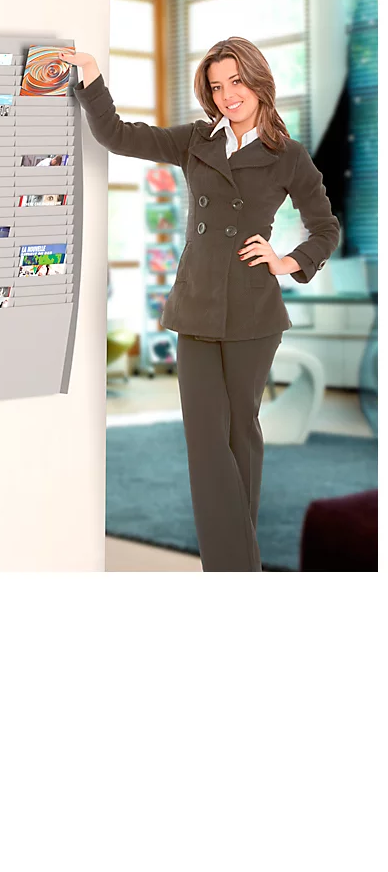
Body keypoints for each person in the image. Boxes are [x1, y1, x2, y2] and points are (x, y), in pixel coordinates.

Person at [62, 37, 341, 572]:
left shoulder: (288, 155)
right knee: (206, 443)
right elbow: (117, 136)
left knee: (241, 436)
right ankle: (235, 568)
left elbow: (325, 227)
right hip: (195, 305)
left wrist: (288, 261)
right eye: (217, 85)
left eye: (236, 81)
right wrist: (92, 77)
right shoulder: (195, 140)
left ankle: (231, 569)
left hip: (253, 312)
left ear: (258, 82)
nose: (227, 94)